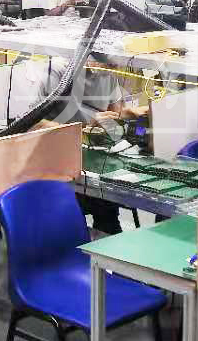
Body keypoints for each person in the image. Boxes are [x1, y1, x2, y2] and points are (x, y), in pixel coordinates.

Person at [33, 52, 148, 236]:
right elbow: (35, 123)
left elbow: (113, 122)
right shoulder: (58, 71)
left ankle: (108, 243)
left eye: (114, 65)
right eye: (109, 64)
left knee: (108, 212)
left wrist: (129, 115)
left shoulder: (108, 74)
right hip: (57, 159)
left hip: (93, 159)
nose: (112, 70)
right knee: (70, 221)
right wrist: (87, 125)